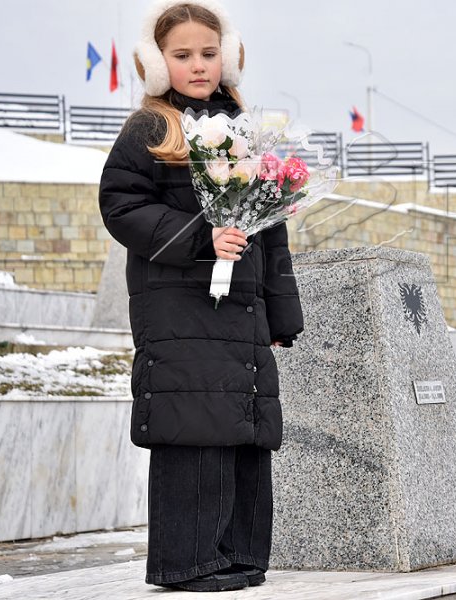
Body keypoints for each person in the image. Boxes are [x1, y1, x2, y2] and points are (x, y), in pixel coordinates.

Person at [99, 0, 303, 592]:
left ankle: (240, 555)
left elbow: (272, 228)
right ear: (156, 63)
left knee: (245, 427)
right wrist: (201, 238)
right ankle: (187, 562)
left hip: (243, 312)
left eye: (208, 54)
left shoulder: (244, 131)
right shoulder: (149, 129)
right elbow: (121, 206)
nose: (197, 65)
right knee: (193, 422)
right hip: (179, 306)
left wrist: (280, 314)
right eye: (182, 55)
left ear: (229, 57)